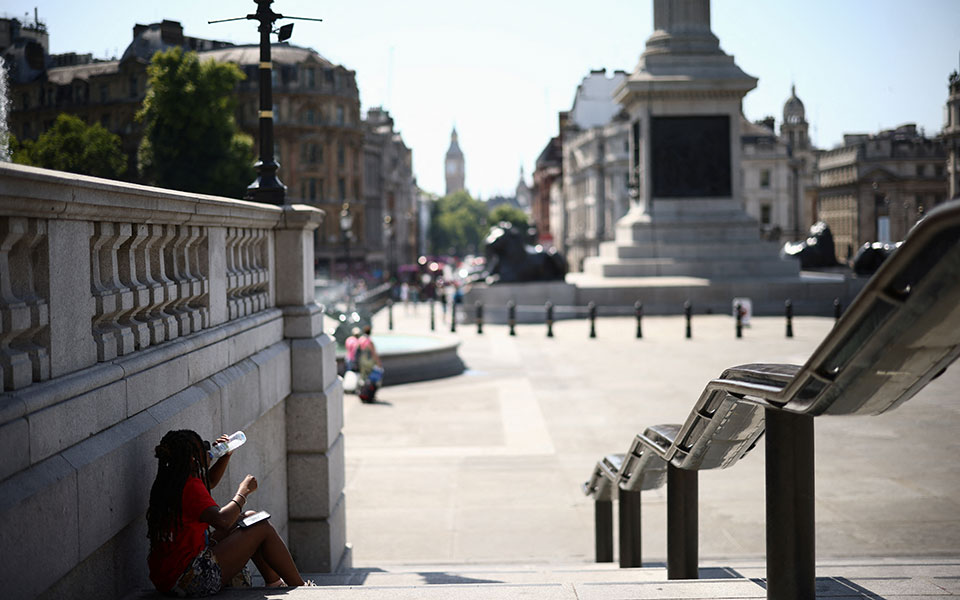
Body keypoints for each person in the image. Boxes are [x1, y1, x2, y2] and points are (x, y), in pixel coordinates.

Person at [147, 430, 310, 596]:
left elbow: (208, 482)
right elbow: (222, 521)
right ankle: (303, 591)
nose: (208, 451)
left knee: (250, 518)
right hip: (190, 579)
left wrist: (226, 454)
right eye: (203, 449)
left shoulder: (171, 481)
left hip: (171, 578)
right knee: (261, 527)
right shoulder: (190, 487)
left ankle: (275, 584)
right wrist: (243, 493)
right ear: (193, 460)